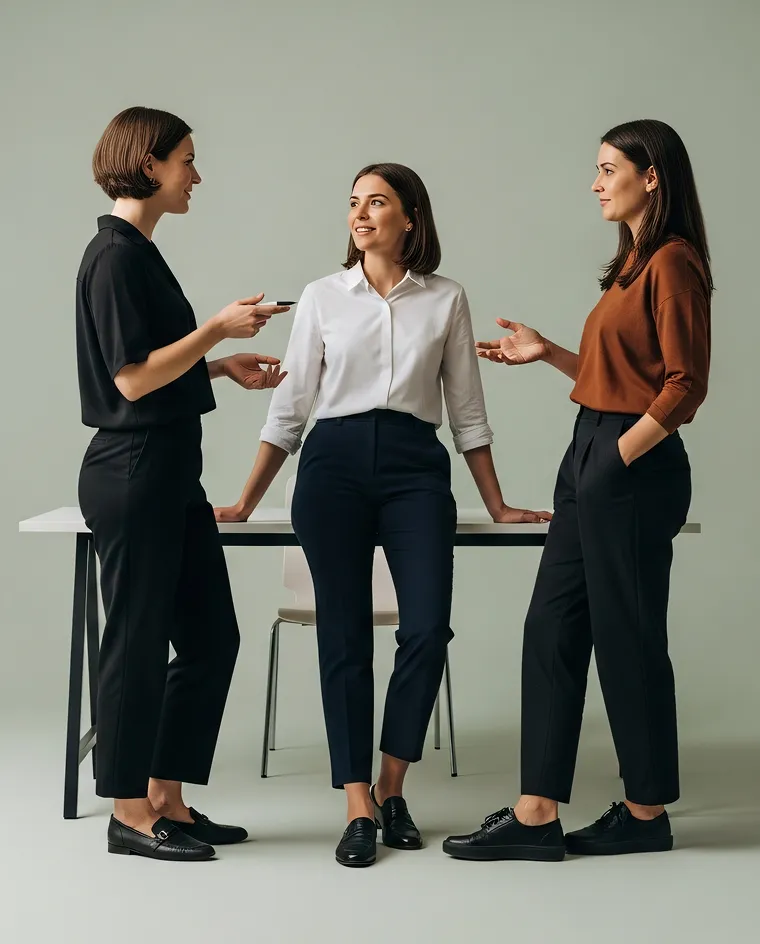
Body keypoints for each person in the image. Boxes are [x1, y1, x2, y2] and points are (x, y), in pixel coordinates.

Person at [216, 162, 550, 867]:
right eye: (353, 203)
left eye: (377, 202)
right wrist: (247, 498)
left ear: (410, 218)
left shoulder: (446, 299)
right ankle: (358, 802)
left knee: (426, 628)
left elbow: (466, 410)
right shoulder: (321, 297)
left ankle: (394, 788)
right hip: (332, 465)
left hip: (413, 468)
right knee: (343, 636)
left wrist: (495, 501)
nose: (360, 214)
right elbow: (292, 405)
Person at [443, 119, 712, 862]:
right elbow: (622, 377)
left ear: (649, 176)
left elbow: (685, 386)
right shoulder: (631, 265)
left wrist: (616, 458)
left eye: (606, 169)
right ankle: (536, 815)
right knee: (552, 629)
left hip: (631, 466)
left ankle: (646, 811)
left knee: (627, 640)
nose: (595, 183)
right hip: (591, 451)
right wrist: (550, 353)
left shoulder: (674, 263)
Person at [76, 106, 289, 861]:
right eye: (187, 160)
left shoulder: (138, 252)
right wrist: (217, 332)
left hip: (167, 473)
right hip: (133, 472)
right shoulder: (114, 257)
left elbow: (150, 365)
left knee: (210, 638)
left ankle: (166, 796)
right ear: (149, 163)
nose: (196, 175)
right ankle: (129, 814)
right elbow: (130, 380)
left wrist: (218, 368)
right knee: (134, 645)